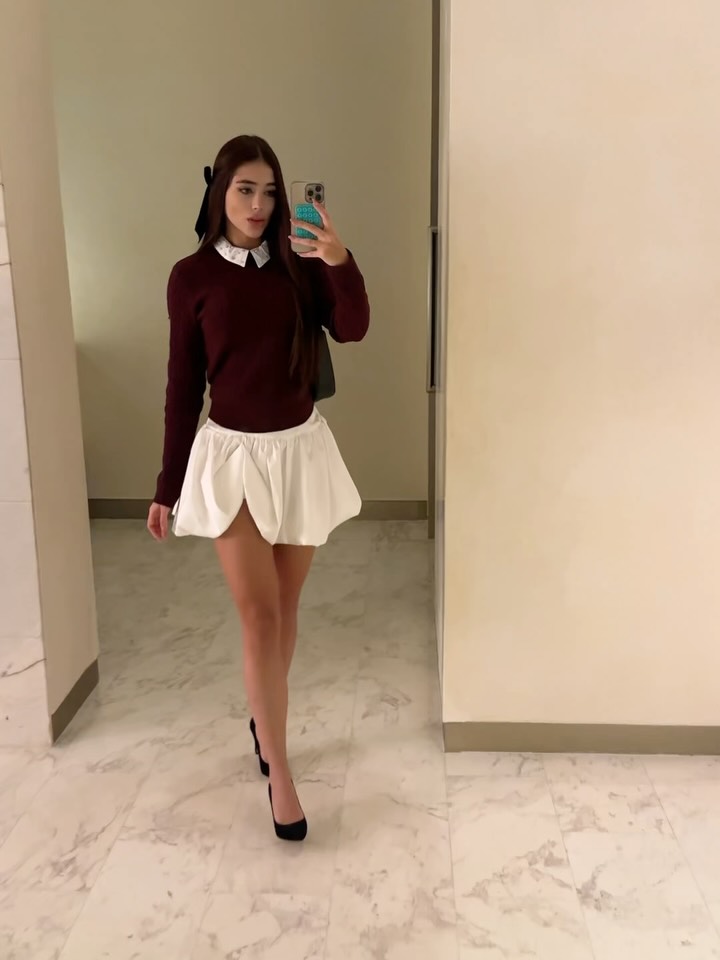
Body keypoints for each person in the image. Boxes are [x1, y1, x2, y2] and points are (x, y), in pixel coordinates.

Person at [147, 135, 370, 841]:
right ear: (219, 192)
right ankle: (281, 771)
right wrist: (167, 483)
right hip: (233, 458)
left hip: (298, 452)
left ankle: (262, 722)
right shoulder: (191, 277)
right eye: (245, 189)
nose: (259, 204)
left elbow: (354, 328)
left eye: (270, 192)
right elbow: (183, 385)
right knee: (260, 616)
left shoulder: (301, 265)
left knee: (286, 606)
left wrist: (339, 260)